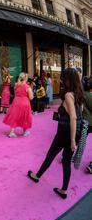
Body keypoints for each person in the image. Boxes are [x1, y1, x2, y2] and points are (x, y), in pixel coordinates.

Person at [27, 68, 84, 199]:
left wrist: (72, 140)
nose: (60, 79)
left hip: (65, 131)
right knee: (66, 160)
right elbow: (79, 114)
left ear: (68, 79)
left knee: (51, 154)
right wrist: (74, 138)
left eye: (62, 77)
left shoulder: (69, 95)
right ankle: (64, 190)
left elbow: (73, 117)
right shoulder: (78, 93)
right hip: (76, 130)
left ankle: (37, 176)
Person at [3, 73, 33, 137]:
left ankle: (11, 132)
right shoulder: (27, 87)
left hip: (16, 102)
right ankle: (25, 132)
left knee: (15, 117)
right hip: (25, 103)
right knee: (25, 117)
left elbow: (16, 94)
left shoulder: (16, 85)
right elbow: (31, 97)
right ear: (26, 78)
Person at [82, 77, 92, 174]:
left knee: (80, 139)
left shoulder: (81, 94)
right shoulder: (89, 95)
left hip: (83, 120)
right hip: (89, 121)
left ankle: (71, 156)